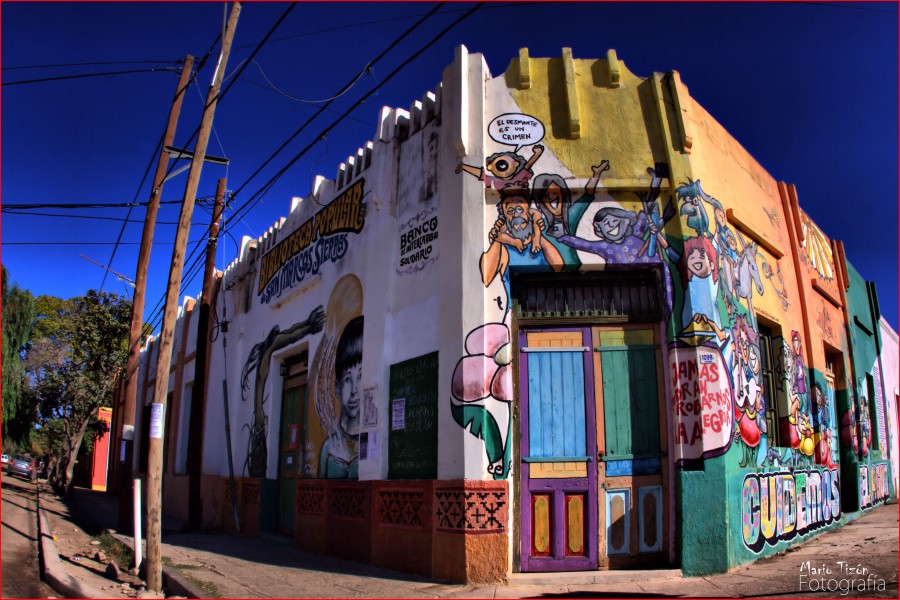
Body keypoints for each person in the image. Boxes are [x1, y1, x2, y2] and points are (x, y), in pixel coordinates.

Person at [318, 316, 364, 478]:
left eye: (361, 376)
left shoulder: (371, 442)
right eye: (347, 379)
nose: (354, 391)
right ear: (337, 388)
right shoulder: (328, 448)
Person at [456, 145, 543, 190]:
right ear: (490, 167)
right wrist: (464, 167)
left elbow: (528, 166)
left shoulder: (519, 176)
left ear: (516, 163)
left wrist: (537, 153)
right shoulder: (494, 180)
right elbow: (480, 173)